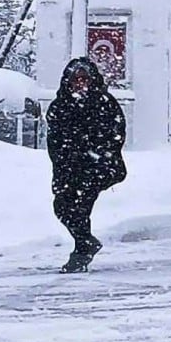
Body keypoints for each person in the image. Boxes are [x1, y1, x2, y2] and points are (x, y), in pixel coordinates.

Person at [46, 58, 126, 273]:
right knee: (62, 207)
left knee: (81, 207)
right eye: (75, 80)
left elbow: (116, 135)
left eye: (84, 79)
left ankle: (81, 253)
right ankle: (86, 243)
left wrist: (98, 155)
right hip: (69, 169)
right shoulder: (60, 105)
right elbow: (54, 141)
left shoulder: (104, 103)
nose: (80, 84)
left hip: (98, 168)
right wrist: (63, 164)